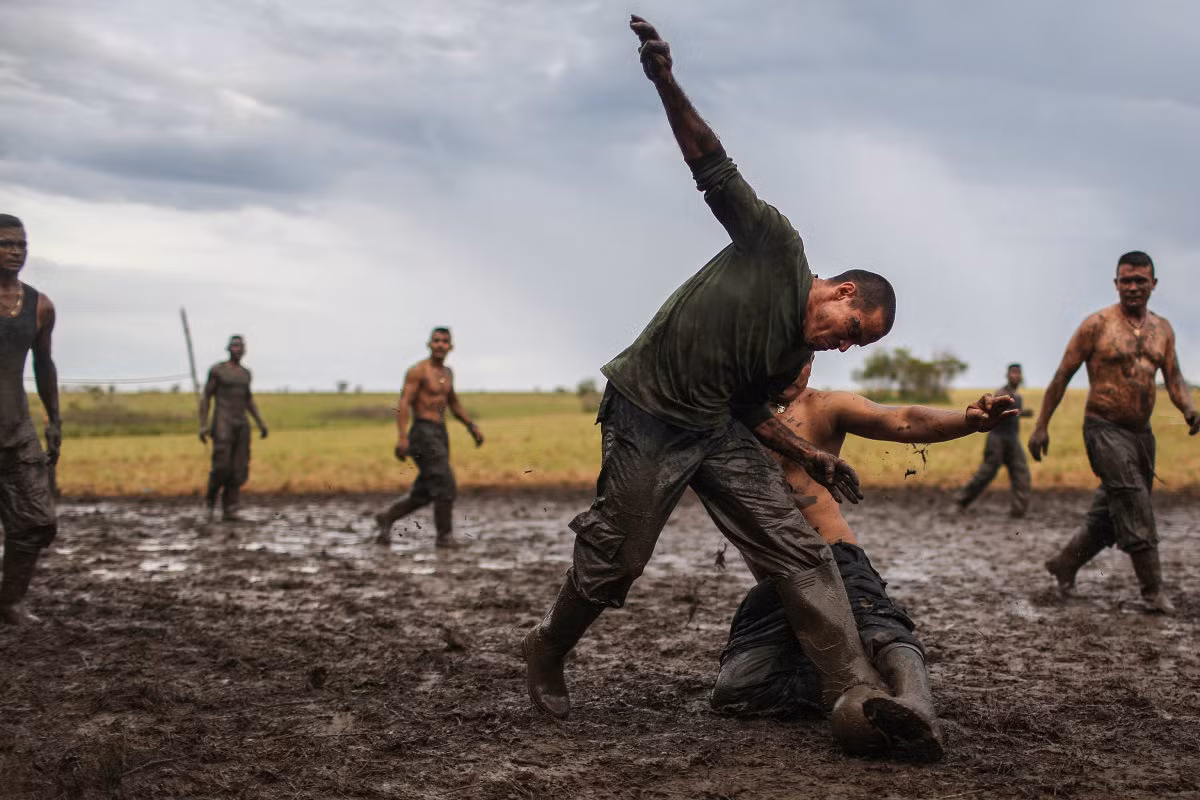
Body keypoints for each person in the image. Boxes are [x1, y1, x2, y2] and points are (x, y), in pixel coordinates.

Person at [523, 16, 931, 756]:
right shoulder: (775, 247)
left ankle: (856, 692)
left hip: (714, 428)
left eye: (856, 344)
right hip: (647, 411)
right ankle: (550, 646)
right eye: (851, 327)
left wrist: (812, 458)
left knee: (798, 550)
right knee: (617, 558)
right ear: (838, 288)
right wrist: (665, 81)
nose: (844, 343)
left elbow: (748, 409)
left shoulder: (786, 361)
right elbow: (709, 163)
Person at [709, 355, 1016, 760]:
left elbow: (901, 419)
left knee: (880, 629)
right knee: (735, 692)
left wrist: (968, 420)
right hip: (775, 584)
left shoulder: (824, 407)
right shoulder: (726, 417)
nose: (793, 371)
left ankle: (917, 707)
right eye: (782, 360)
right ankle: (860, 686)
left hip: (832, 559)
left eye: (802, 361)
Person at [1031, 251, 1198, 614]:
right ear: (1116, 283)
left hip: (1141, 434)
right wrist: (1041, 425)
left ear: (1154, 284)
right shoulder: (1097, 325)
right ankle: (1152, 591)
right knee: (1134, 501)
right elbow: (1062, 376)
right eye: (1126, 280)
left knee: (1111, 512)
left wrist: (1188, 409)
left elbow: (1173, 377)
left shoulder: (1163, 330)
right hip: (1103, 429)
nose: (1133, 287)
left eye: (1140, 280)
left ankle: (1065, 563)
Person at [0, 213, 61, 625]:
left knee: (37, 521)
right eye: (6, 243)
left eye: (22, 244)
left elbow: (44, 365)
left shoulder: (40, 305)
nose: (16, 251)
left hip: (15, 429)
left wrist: (54, 418)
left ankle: (10, 602)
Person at [374, 327, 483, 549]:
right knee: (445, 483)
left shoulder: (448, 373)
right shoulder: (418, 371)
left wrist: (471, 426)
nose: (441, 345)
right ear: (429, 344)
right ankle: (444, 537)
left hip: (440, 433)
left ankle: (386, 517)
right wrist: (402, 437)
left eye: (445, 341)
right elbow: (404, 403)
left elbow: (453, 402)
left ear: (450, 346)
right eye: (437, 341)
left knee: (424, 491)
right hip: (422, 432)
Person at [199, 335, 268, 522]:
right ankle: (210, 502)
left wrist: (260, 422)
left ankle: (231, 508)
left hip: (241, 424)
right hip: (222, 422)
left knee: (238, 468)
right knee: (221, 466)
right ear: (228, 349)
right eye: (234, 346)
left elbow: (248, 399)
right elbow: (206, 397)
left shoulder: (246, 373)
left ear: (244, 350)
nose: (237, 349)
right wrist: (203, 424)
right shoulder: (218, 371)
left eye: (240, 346)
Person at [954, 363, 1033, 517]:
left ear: (1021, 377)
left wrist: (1023, 414)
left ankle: (1019, 511)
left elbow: (1013, 413)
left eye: (1018, 373)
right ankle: (961, 500)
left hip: (1012, 438)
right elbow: (997, 413)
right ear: (1007, 375)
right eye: (1013, 373)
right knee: (986, 472)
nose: (1015, 376)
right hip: (997, 438)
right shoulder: (1001, 393)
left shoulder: (1018, 397)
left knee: (1021, 472)